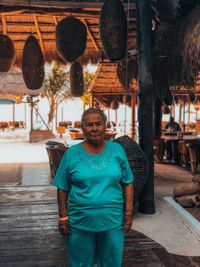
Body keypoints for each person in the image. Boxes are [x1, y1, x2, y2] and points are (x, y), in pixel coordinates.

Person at [53, 107, 134, 267]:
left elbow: (128, 182)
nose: (94, 128)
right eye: (89, 125)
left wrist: (129, 213)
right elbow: (62, 187)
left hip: (112, 220)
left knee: (111, 262)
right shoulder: (72, 154)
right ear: (83, 127)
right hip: (80, 220)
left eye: (98, 124)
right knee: (81, 263)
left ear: (105, 126)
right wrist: (63, 216)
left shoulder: (117, 151)